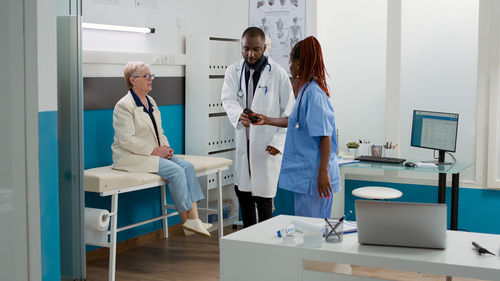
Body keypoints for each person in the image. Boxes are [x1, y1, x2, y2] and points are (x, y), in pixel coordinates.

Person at [112, 61, 212, 237]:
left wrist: (165, 147)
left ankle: (194, 219)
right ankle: (186, 221)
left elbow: (159, 130)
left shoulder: (150, 101)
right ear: (133, 80)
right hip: (132, 156)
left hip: (152, 153)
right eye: (146, 76)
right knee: (176, 172)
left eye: (151, 75)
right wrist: (155, 151)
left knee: (187, 167)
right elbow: (126, 140)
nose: (151, 79)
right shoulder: (124, 105)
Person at [253, 36, 341, 218]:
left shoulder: (315, 95)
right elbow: (295, 122)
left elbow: (325, 136)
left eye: (290, 62)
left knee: (313, 232)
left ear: (299, 64)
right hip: (306, 176)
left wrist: (323, 173)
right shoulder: (305, 91)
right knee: (309, 231)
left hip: (315, 177)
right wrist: (266, 119)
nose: (289, 67)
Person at [221, 27, 294, 228]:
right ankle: (248, 240)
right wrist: (239, 115)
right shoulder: (233, 71)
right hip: (244, 140)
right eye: (246, 49)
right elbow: (227, 99)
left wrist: (278, 143)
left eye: (256, 50)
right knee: (243, 193)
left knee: (264, 199)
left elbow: (288, 112)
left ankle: (265, 244)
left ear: (264, 48)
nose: (250, 54)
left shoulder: (278, 74)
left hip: (267, 145)